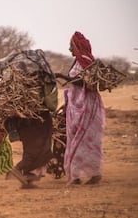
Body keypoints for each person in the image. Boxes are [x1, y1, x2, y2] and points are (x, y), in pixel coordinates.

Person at [55, 31, 105, 185]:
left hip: (86, 104)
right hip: (78, 103)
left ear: (77, 46)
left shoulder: (85, 60)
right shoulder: (80, 60)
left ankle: (84, 174)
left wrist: (62, 77)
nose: (69, 49)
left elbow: (82, 81)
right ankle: (81, 174)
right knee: (80, 137)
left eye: (71, 46)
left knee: (84, 138)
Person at [4, 112, 54, 188]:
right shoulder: (39, 109)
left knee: (33, 150)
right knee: (38, 151)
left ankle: (28, 181)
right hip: (38, 124)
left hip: (27, 123)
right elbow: (51, 105)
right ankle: (19, 168)